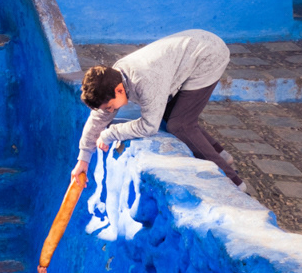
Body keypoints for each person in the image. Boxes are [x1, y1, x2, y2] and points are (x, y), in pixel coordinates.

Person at [71, 29, 243, 188]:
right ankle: (222, 155)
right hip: (192, 49)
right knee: (169, 113)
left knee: (180, 124)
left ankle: (234, 183)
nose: (109, 112)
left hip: (209, 55)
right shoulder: (112, 80)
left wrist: (111, 133)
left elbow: (149, 126)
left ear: (119, 90)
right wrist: (83, 159)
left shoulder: (145, 81)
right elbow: (98, 119)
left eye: (109, 107)